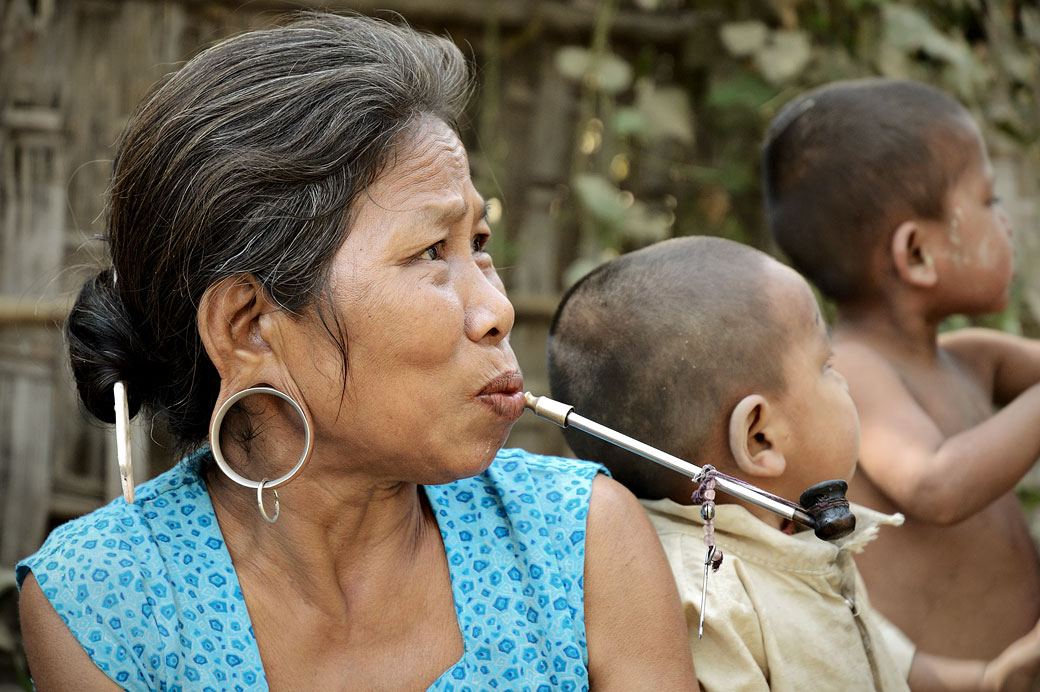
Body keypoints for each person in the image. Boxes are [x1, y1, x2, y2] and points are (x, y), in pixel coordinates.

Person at [15, 14, 696, 691]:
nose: (498, 310)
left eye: (478, 244)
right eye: (432, 252)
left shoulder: (576, 545)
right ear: (249, 326)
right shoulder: (105, 604)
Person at [547, 235, 1040, 691]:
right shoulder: (703, 602)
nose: (844, 381)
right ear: (761, 437)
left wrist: (989, 678)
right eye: (826, 366)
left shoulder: (792, 533)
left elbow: (869, 642)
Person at [761, 77, 1040, 660]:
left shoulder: (972, 358)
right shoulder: (853, 373)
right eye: (987, 201)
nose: (1006, 221)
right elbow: (938, 485)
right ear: (916, 253)